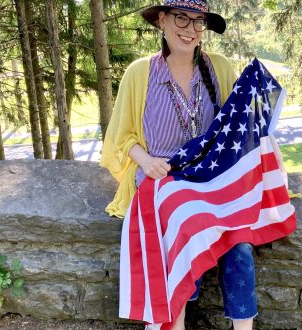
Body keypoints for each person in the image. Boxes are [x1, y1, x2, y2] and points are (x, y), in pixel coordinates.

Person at [100, 1, 257, 329]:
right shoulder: (140, 73)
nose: (190, 29)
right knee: (185, 228)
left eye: (198, 22)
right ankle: (174, 322)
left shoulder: (221, 68)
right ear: (162, 20)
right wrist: (147, 160)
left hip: (210, 181)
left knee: (238, 241)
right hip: (163, 180)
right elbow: (122, 136)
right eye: (181, 18)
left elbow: (239, 126)